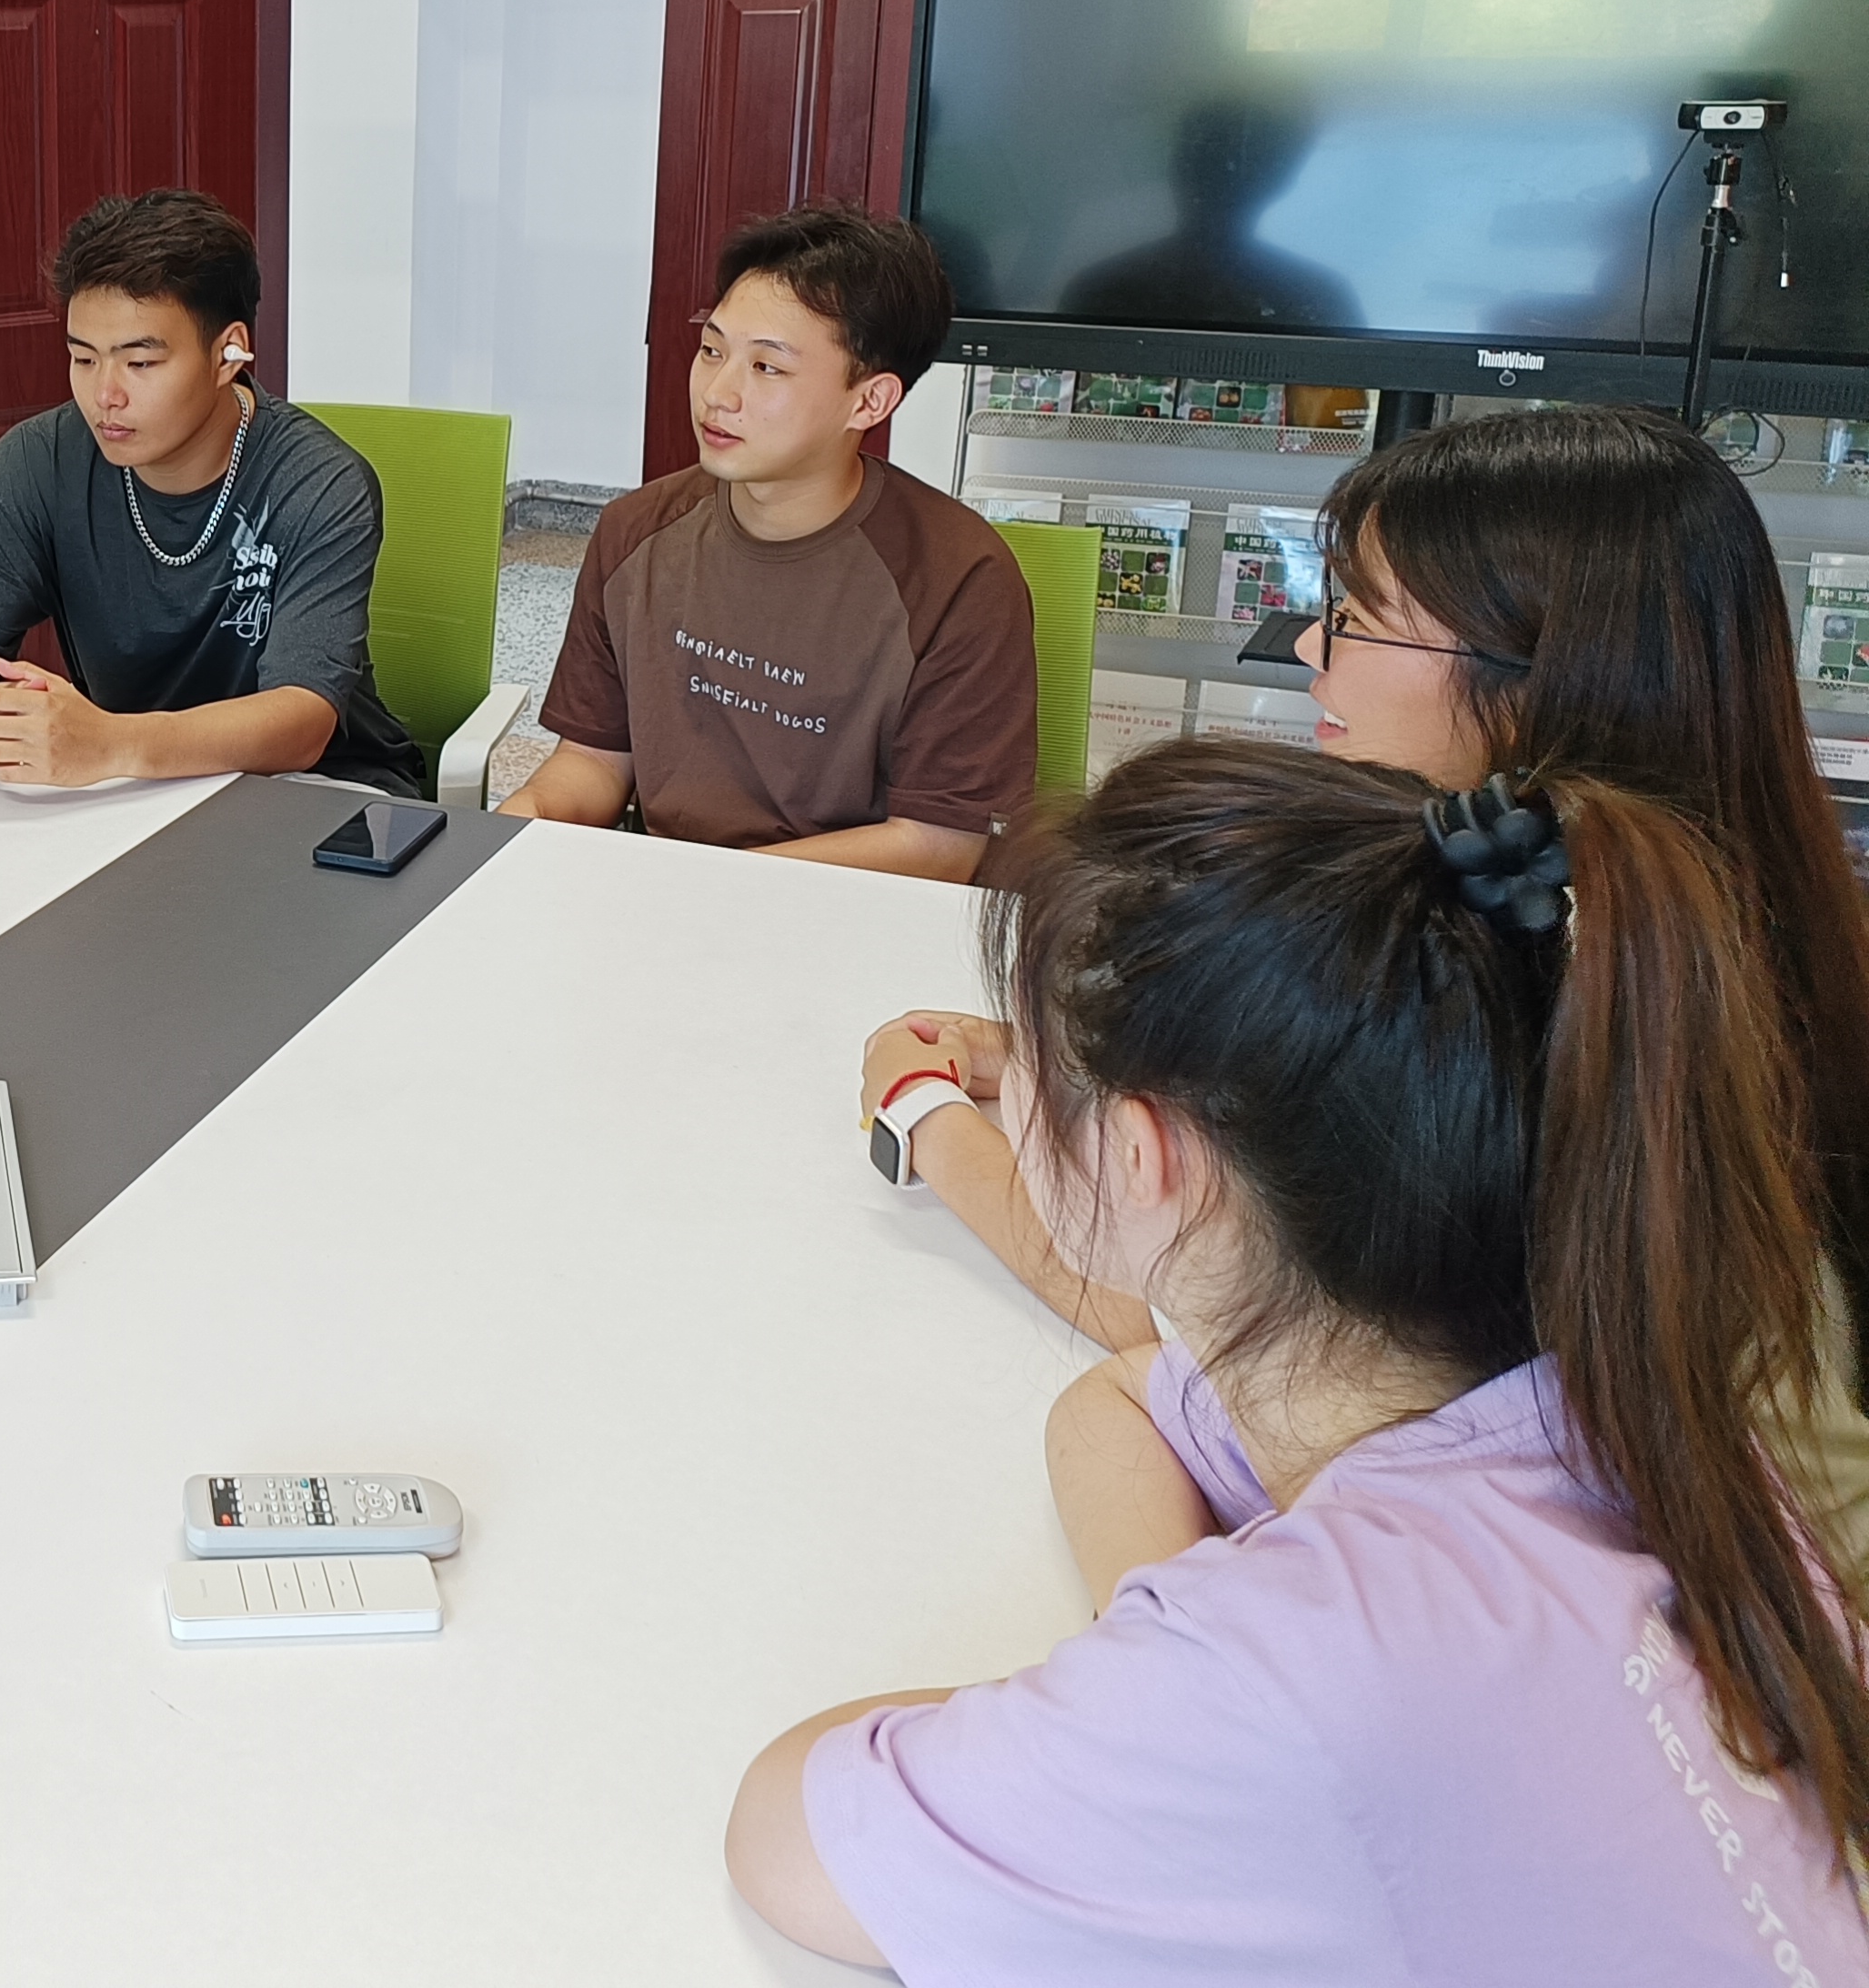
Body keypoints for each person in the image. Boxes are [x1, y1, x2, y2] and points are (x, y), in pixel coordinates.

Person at [732, 741, 1869, 1981]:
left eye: (1035, 1082)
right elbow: (1121, 1402)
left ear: (1142, 1160)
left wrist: (1175, 1706)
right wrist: (1167, 1645)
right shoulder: (1620, 1418)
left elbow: (789, 1834)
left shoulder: (1302, 1678)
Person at [858, 404, 1869, 1573]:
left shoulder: (1537, 981)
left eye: (1356, 618)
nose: (1307, 648)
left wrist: (924, 1113)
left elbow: (1208, 1302)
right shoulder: (1694, 919)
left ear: (1531, 673)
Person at [498, 203, 1033, 879]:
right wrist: (526, 816)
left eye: (767, 368)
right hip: (663, 901)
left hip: (845, 912)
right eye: (712, 350)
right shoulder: (635, 532)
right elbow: (595, 760)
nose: (718, 394)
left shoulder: (961, 579)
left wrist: (712, 888)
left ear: (869, 401)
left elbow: (939, 846)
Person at [0, 189, 423, 797]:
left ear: (228, 354)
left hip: (314, 788)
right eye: (84, 359)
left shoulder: (319, 482)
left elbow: (301, 722)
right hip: (130, 790)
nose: (105, 396)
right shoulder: (34, 463)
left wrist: (110, 743)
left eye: (140, 364)